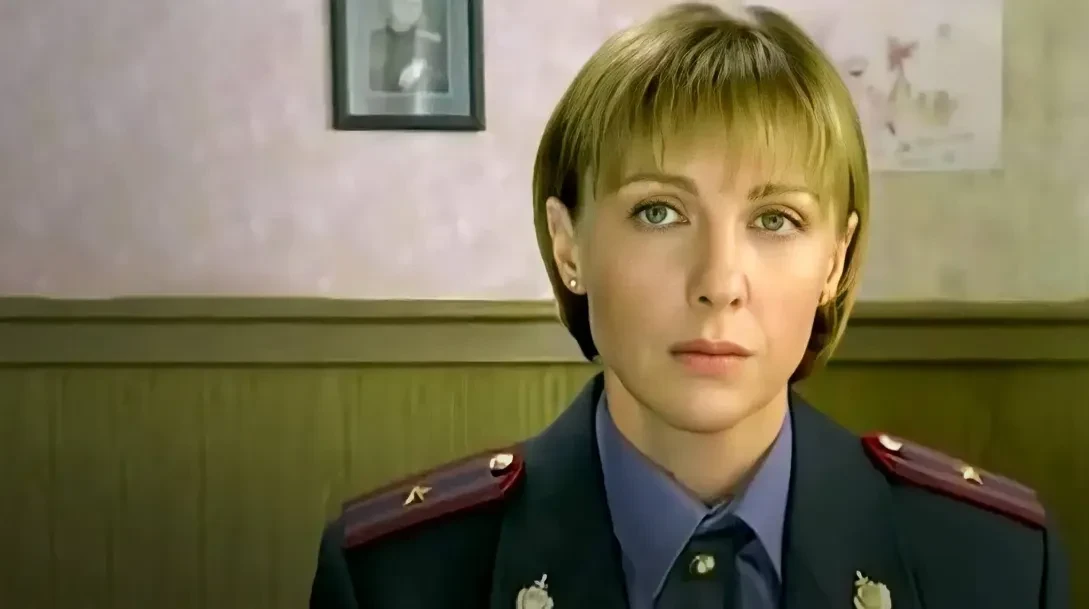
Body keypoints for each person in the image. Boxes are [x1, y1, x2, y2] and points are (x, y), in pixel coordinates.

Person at [312, 4, 1070, 608]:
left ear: (834, 262)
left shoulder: (994, 564)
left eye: (775, 220)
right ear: (569, 245)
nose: (719, 281)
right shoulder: (396, 577)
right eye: (659, 212)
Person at [367, 0, 449, 94]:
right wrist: (401, 85)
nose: (409, 8)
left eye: (415, 4)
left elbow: (446, 88)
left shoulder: (432, 42)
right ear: (391, 3)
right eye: (403, 2)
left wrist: (426, 77)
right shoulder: (374, 40)